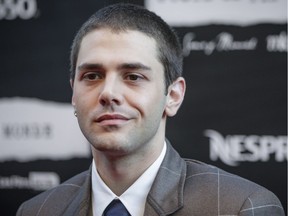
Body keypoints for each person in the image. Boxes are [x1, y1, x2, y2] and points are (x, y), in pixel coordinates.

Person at [16, 3, 285, 216]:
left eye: (133, 76)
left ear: (173, 96)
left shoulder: (241, 207)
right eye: (92, 76)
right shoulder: (36, 211)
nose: (108, 93)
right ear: (74, 93)